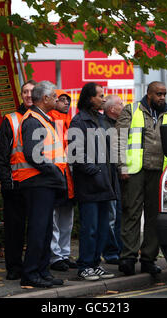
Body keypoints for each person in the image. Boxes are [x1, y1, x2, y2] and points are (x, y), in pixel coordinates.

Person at [116, 81, 167, 276]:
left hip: (159, 171)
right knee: (132, 213)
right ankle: (128, 258)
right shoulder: (132, 110)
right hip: (135, 170)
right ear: (149, 94)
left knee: (154, 217)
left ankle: (148, 259)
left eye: (164, 94)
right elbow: (119, 139)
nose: (162, 97)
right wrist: (122, 166)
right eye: (158, 94)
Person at [13, 81, 68, 288]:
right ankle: (31, 273)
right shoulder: (34, 120)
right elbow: (33, 154)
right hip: (37, 181)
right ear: (45, 99)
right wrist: (54, 171)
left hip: (45, 181)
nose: (57, 99)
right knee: (38, 229)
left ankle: (42, 271)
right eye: (54, 96)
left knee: (44, 230)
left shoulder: (43, 119)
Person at [68, 82, 120, 281]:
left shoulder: (101, 119)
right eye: (100, 95)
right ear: (90, 98)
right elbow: (76, 153)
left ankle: (95, 264)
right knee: (89, 228)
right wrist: (95, 171)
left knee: (101, 228)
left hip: (105, 183)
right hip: (90, 184)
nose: (104, 99)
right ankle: (84, 265)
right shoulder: (79, 121)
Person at [0, 80, 37, 280]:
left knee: (37, 229)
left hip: (38, 184)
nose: (28, 95)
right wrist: (6, 182)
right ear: (21, 95)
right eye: (25, 92)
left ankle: (33, 266)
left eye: (32, 91)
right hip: (16, 183)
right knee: (14, 231)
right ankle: (14, 268)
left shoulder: (46, 118)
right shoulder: (10, 120)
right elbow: (1, 155)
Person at [47, 89, 77, 272]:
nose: (66, 102)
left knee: (66, 218)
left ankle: (63, 254)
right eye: (62, 99)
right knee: (55, 219)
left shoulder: (69, 122)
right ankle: (55, 256)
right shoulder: (50, 120)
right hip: (56, 175)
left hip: (68, 177)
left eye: (68, 100)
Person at [101, 95, 124, 265]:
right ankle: (111, 252)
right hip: (109, 178)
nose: (123, 106)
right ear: (112, 109)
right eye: (120, 104)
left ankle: (119, 250)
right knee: (111, 217)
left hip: (118, 177)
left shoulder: (118, 125)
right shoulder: (104, 126)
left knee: (118, 217)